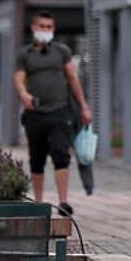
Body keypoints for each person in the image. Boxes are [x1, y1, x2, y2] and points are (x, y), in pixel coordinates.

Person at [13, 11, 92, 214]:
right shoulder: (25, 54)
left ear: (54, 30)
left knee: (61, 155)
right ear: (34, 28)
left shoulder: (62, 51)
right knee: (37, 158)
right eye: (42, 26)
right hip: (35, 114)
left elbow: (72, 78)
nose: (46, 30)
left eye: (49, 27)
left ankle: (63, 202)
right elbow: (19, 78)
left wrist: (83, 106)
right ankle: (39, 203)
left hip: (59, 111)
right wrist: (23, 94)